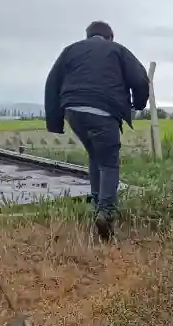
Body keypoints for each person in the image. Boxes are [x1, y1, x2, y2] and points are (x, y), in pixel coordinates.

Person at [45, 21, 149, 240]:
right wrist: (139, 104)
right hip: (103, 111)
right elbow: (140, 78)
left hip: (73, 110)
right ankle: (106, 214)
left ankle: (96, 204)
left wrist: (56, 122)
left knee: (95, 156)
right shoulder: (117, 50)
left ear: (87, 35)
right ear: (110, 37)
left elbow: (52, 83)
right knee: (110, 163)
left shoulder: (71, 50)